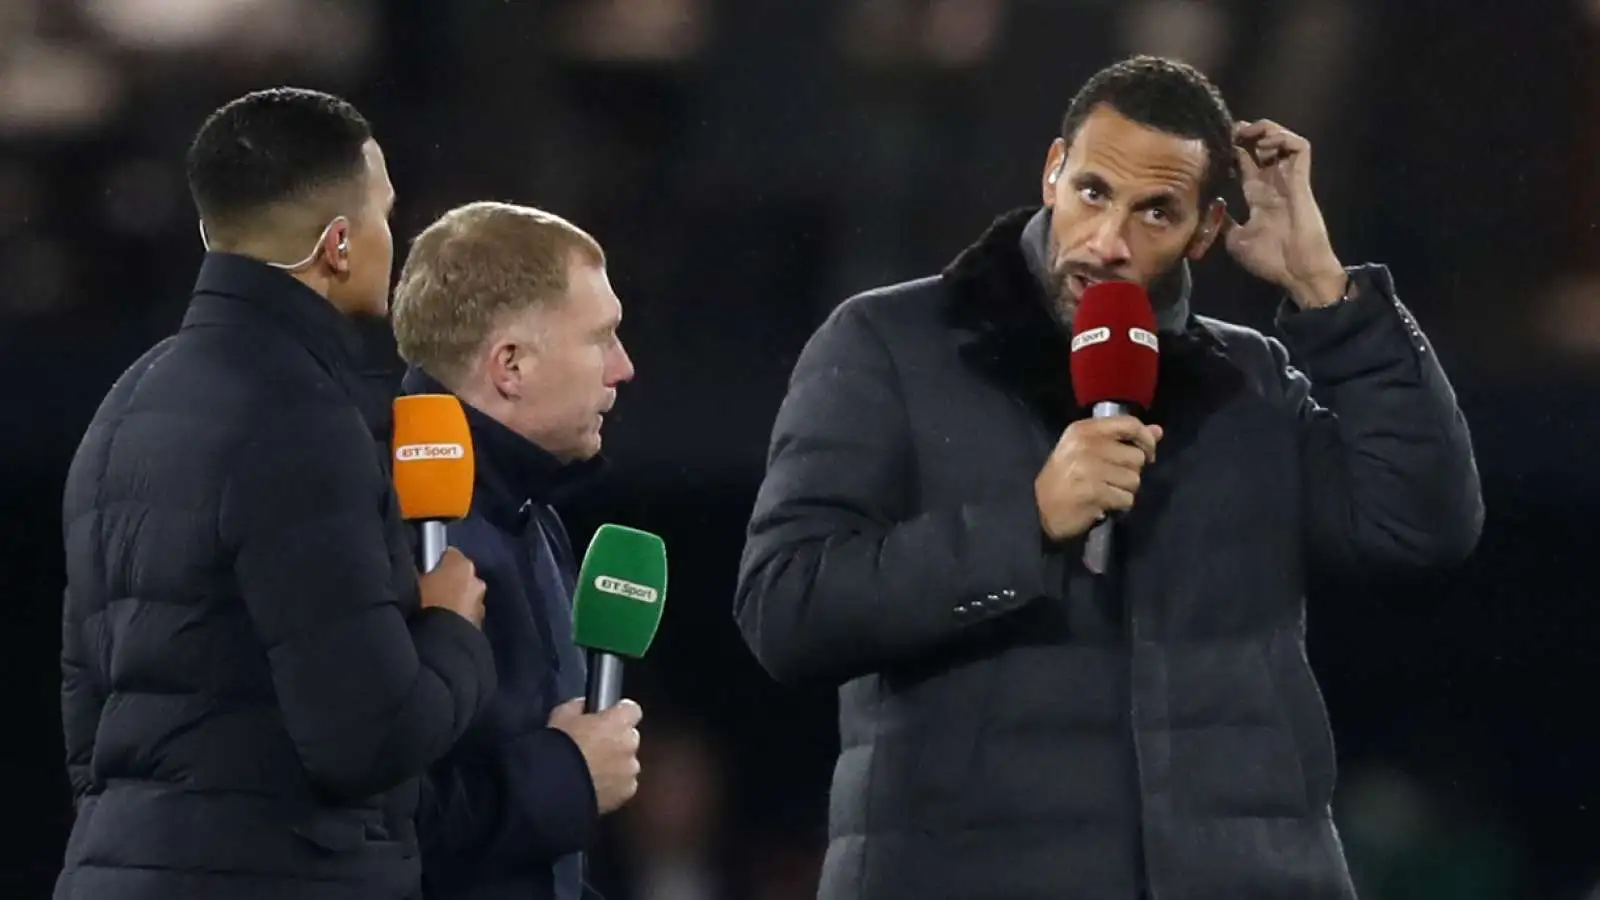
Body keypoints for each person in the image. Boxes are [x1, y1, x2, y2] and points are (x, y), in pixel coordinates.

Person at [734, 55, 1484, 900]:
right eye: (1094, 192)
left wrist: (1322, 288)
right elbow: (786, 609)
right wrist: (1026, 526)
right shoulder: (887, 344)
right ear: (1054, 171)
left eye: (1156, 211)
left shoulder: (1249, 381)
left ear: (1205, 231)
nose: (1108, 242)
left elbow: (1421, 528)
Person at [56, 88, 498, 900]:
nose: (388, 242)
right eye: (383, 216)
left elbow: (90, 731)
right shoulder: (302, 418)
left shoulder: (127, 401)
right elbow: (369, 738)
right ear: (337, 244)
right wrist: (450, 627)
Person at [389, 201, 643, 900]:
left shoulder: (527, 515)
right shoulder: (392, 521)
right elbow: (379, 821)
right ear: (511, 365)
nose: (622, 368)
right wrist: (566, 775)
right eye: (602, 339)